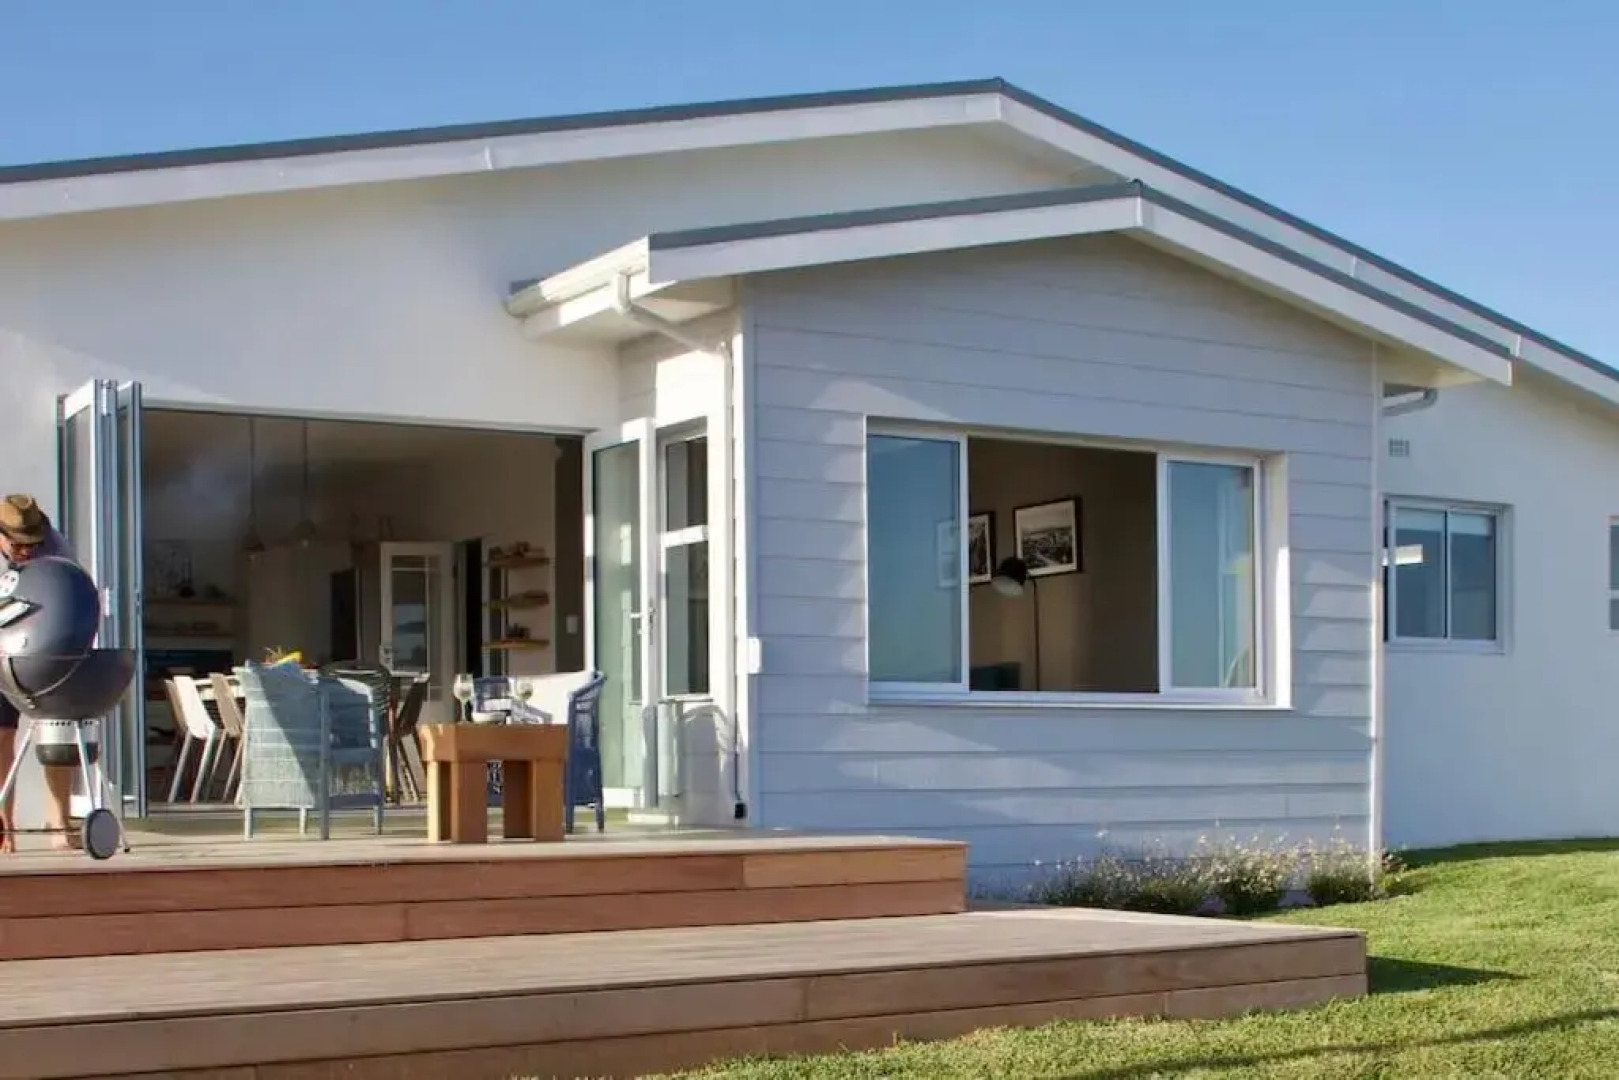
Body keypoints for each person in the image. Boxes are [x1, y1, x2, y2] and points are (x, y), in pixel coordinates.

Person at [0, 495, 81, 852]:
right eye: (16, 545)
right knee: (1, 737)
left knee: (56, 734)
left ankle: (59, 825)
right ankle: (4, 827)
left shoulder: (56, 544)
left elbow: (73, 594)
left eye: (31, 545)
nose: (25, 552)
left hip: (46, 645)